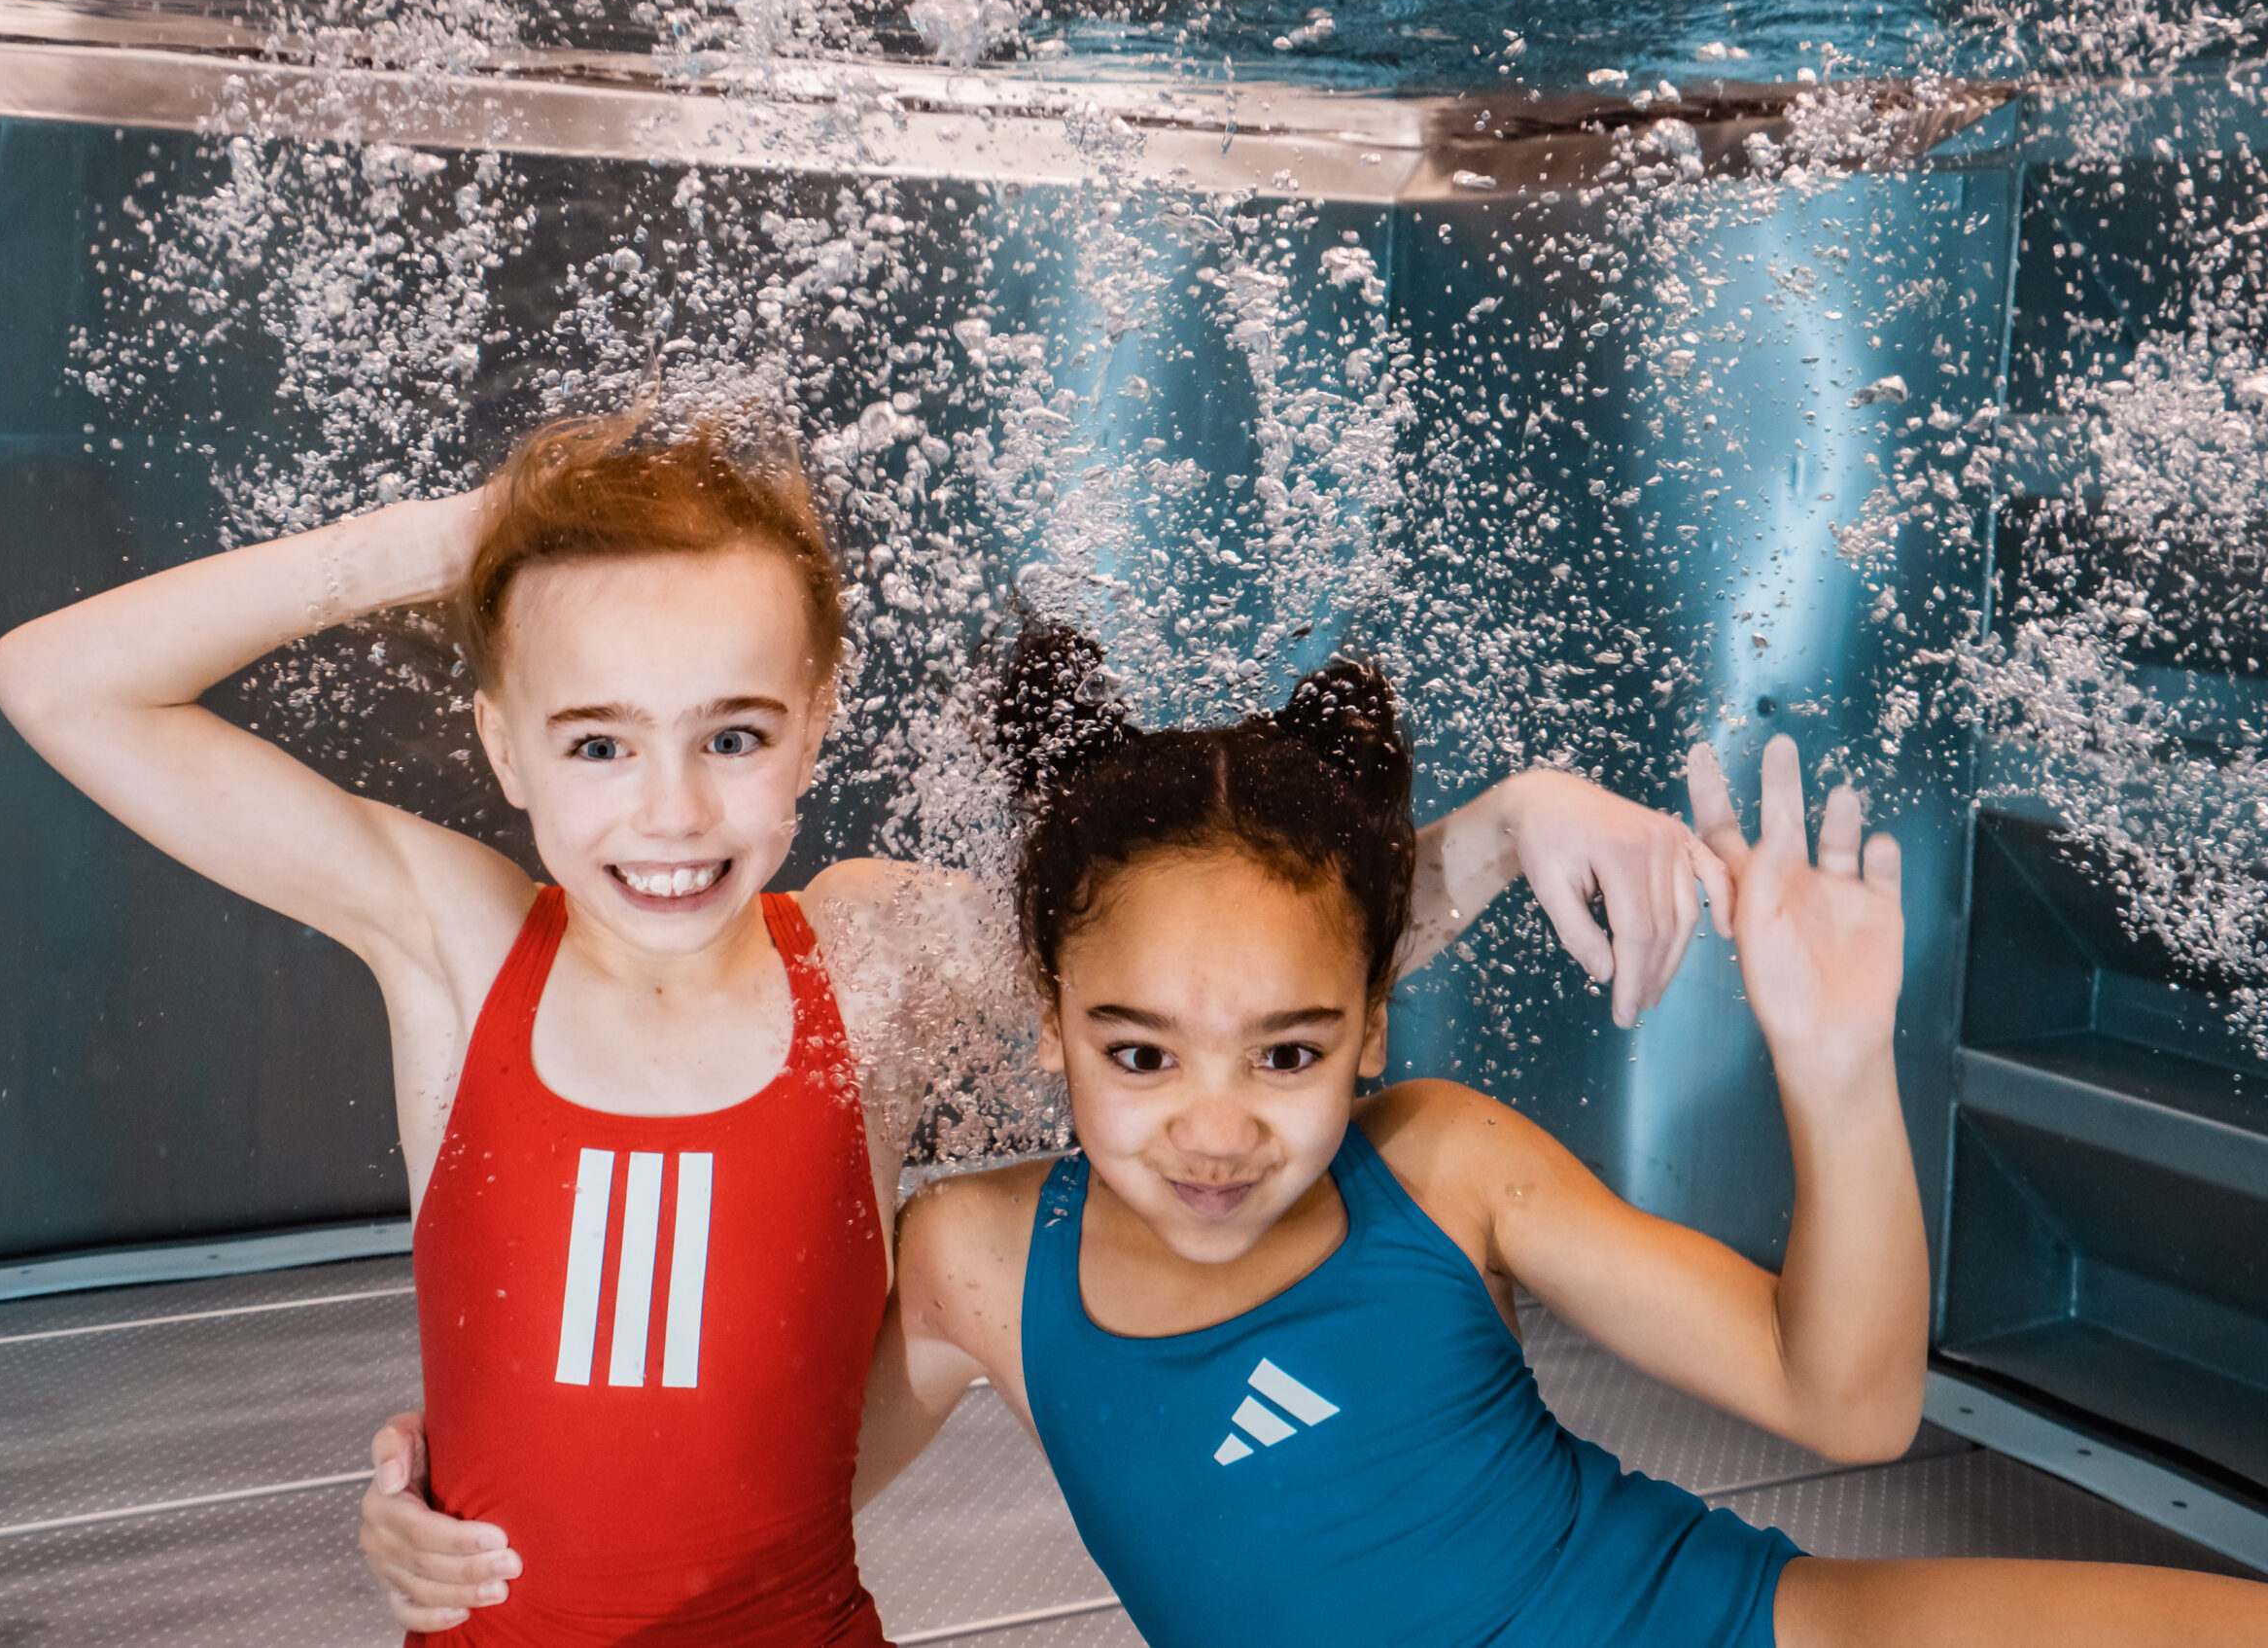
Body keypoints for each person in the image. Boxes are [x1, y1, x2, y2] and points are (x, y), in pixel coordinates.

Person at [0, 411, 1725, 1645]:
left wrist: (1516, 823)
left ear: (818, 723)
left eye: (733, 735)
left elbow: (1210, 972)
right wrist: (453, 542)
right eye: (595, 743)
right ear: (506, 746)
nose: (668, 810)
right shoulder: (457, 950)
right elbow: (57, 684)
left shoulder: (874, 964)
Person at [849, 631, 2266, 1648]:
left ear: (1373, 1025)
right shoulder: (973, 1258)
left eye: (1288, 1053)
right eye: (1140, 1053)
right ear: (1050, 1022)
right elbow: (759, 1512)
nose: (1214, 1130)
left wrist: (1834, 1069)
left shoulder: (1442, 1166)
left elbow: (1846, 1405)